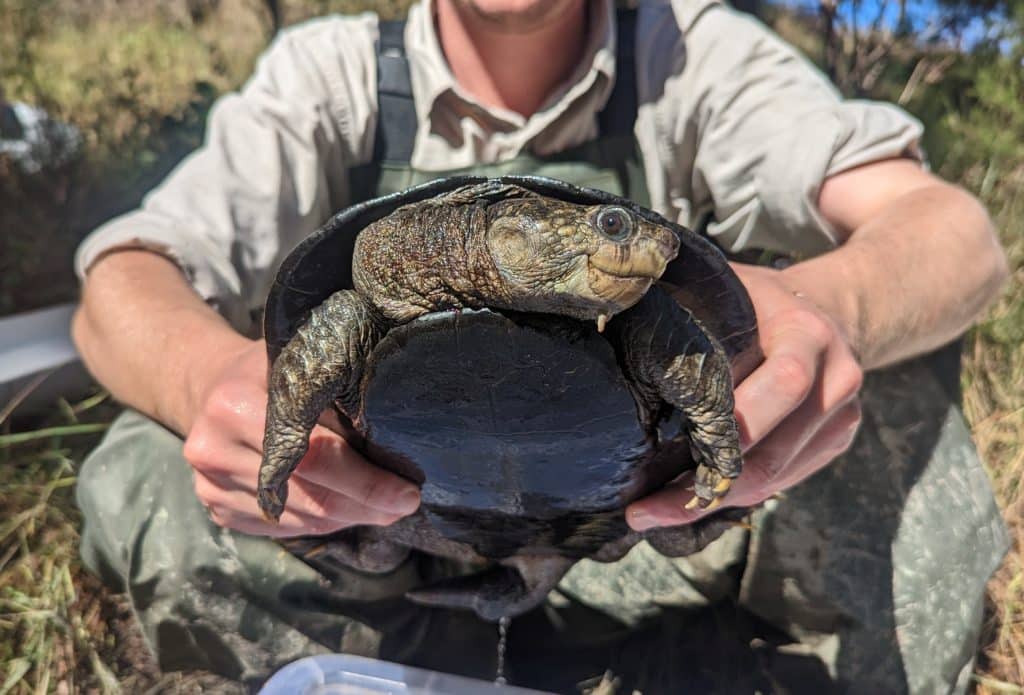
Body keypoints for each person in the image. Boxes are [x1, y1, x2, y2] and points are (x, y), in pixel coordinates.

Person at [71, 0, 1009, 692]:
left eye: (616, 233)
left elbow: (956, 236)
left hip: (638, 542)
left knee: (891, 405)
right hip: (381, 540)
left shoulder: (690, 53)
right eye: (608, 234)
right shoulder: (329, 74)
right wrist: (211, 382)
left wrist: (828, 304)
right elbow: (118, 282)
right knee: (148, 463)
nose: (632, 251)